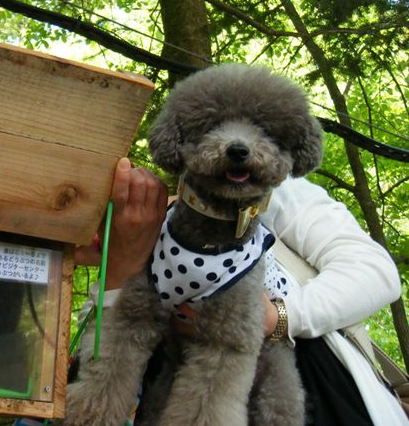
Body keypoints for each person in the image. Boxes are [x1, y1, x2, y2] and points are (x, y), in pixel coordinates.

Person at [75, 157, 406, 426]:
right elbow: (115, 374)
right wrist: (119, 273)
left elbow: (374, 271)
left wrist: (278, 317)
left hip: (320, 389)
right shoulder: (121, 266)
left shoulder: (259, 192)